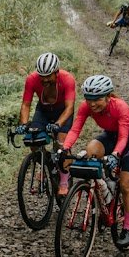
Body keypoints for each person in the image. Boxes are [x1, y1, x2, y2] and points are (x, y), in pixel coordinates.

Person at [58, 75, 129, 246]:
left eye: (97, 99)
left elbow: (123, 137)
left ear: (108, 96)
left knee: (126, 183)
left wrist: (115, 155)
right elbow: (75, 130)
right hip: (110, 136)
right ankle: (107, 192)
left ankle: (128, 227)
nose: (92, 104)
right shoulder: (85, 107)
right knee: (91, 151)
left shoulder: (120, 107)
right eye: (88, 99)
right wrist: (65, 149)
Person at [17, 52, 78, 195]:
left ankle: (64, 180)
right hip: (43, 110)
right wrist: (23, 125)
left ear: (56, 72)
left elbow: (69, 107)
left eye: (48, 76)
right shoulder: (32, 79)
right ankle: (45, 163)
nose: (44, 79)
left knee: (61, 144)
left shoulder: (67, 79)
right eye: (41, 76)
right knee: (33, 139)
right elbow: (26, 104)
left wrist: (58, 124)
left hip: (63, 111)